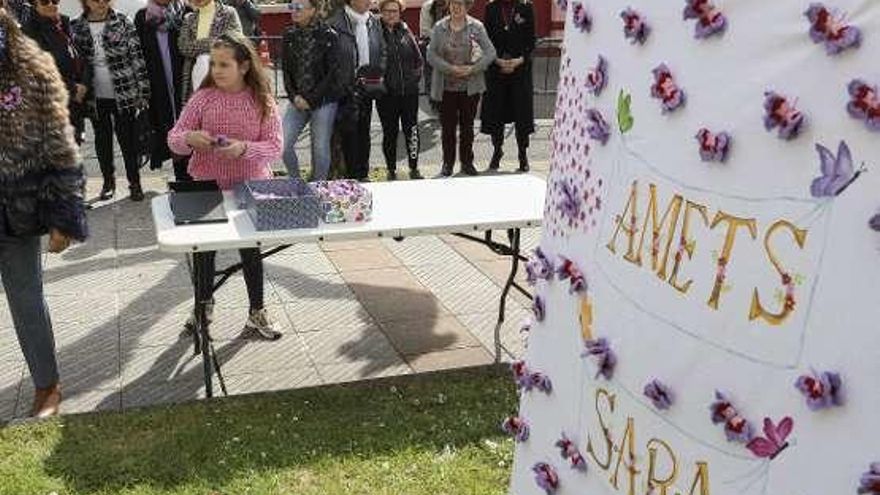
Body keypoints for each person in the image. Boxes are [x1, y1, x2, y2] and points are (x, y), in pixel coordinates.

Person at [0, 9, 89, 417]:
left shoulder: (33, 69)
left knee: (26, 298)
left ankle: (46, 386)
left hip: (15, 209)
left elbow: (59, 144)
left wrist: (63, 215)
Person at [167, 32, 282, 340]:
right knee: (205, 252)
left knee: (251, 251)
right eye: (213, 64)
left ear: (244, 66)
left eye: (224, 64)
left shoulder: (262, 100)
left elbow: (275, 147)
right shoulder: (202, 98)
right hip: (207, 186)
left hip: (251, 187)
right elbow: (174, 138)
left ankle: (257, 311)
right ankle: (203, 304)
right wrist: (190, 139)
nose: (216, 70)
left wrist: (244, 148)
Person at [71, 0, 151, 201]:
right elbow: (75, 63)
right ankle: (108, 182)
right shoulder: (75, 26)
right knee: (102, 139)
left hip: (123, 93)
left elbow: (137, 58)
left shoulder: (123, 21)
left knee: (128, 140)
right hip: (94, 96)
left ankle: (134, 182)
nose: (101, 3)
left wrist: (143, 93)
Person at [426, 0, 495, 177]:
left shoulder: (477, 27)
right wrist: (450, 69)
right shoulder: (439, 27)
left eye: (460, 4)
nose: (456, 7)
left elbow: (490, 53)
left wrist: (472, 69)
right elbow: (430, 54)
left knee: (467, 127)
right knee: (447, 128)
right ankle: (447, 163)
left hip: (470, 87)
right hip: (445, 87)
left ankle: (467, 163)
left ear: (467, 7)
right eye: (453, 4)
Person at [280, 0, 340, 180]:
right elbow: (286, 71)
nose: (294, 11)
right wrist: (293, 96)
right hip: (297, 100)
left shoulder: (329, 35)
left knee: (320, 148)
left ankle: (317, 188)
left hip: (323, 101)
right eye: (291, 7)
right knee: (282, 144)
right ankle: (297, 182)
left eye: (299, 7)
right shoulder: (289, 34)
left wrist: (311, 99)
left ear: (312, 10)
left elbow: (331, 74)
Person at [328, 0, 386, 181]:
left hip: (368, 87)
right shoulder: (336, 22)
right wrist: (342, 82)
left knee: (364, 131)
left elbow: (382, 50)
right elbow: (330, 57)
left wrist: (378, 72)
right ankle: (352, 175)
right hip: (346, 88)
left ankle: (363, 173)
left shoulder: (373, 21)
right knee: (349, 133)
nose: (369, 1)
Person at [135, 0, 191, 180]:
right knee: (169, 127)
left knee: (190, 126)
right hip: (159, 86)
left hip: (185, 84)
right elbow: (138, 54)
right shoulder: (142, 17)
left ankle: (196, 177)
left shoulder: (186, 13)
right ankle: (181, 178)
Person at [21, 0, 87, 145]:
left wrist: (83, 83)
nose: (52, 4)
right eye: (45, 2)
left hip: (73, 103)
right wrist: (73, 88)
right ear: (34, 5)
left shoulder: (63, 23)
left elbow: (78, 55)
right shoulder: (29, 32)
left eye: (55, 0)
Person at [480, 0, 534, 172]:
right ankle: (497, 150)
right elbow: (485, 40)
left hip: (520, 70)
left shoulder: (526, 6)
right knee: (496, 111)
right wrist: (497, 61)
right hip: (496, 69)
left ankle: (522, 154)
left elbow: (531, 40)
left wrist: (519, 60)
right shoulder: (491, 8)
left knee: (521, 112)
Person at [376, 0, 422, 180]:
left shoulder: (405, 30)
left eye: (394, 11)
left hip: (409, 93)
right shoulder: (375, 31)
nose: (391, 14)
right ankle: (391, 170)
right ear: (381, 12)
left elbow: (418, 59)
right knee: (390, 133)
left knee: (412, 131)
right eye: (387, 11)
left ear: (400, 12)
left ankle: (414, 168)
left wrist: (414, 80)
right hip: (386, 95)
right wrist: (381, 85)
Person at [177, 0, 240, 104]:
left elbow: (235, 43)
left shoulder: (229, 13)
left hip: (225, 79)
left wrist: (199, 45)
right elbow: (184, 47)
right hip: (195, 81)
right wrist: (212, 42)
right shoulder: (189, 18)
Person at [418, 0, 445, 109]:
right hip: (431, 42)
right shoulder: (427, 6)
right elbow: (425, 30)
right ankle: (433, 99)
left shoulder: (454, 4)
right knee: (430, 72)